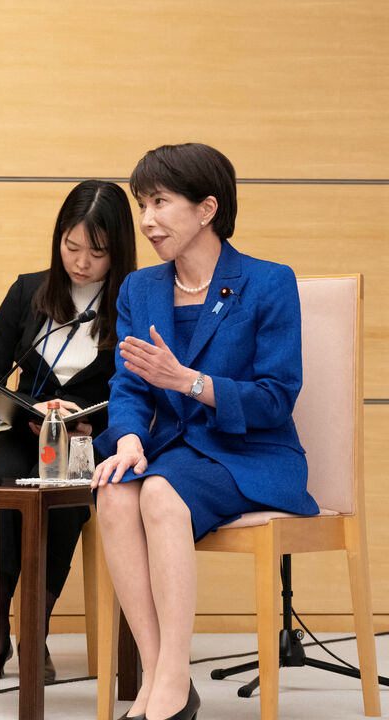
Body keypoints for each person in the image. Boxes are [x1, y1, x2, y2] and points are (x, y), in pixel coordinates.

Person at [92, 143, 318, 720]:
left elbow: (275, 398)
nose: (145, 220)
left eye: (161, 202)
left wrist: (188, 382)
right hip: (172, 451)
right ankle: (157, 675)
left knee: (162, 494)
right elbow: (129, 386)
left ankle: (171, 679)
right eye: (142, 204)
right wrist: (127, 438)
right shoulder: (140, 289)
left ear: (206, 208)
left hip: (252, 452)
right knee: (114, 493)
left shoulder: (268, 283)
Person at [0, 180, 137, 682]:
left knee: (63, 492)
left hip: (87, 442)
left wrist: (84, 416)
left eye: (97, 252)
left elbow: (141, 392)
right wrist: (33, 408)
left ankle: (33, 632)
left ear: (118, 252)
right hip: (21, 432)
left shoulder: (132, 303)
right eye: (72, 246)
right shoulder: (28, 291)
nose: (81, 262)